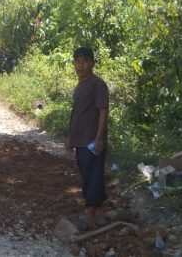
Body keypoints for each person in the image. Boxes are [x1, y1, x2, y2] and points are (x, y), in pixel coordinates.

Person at [68, 46, 109, 230]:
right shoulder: (79, 86)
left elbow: (103, 112)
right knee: (90, 176)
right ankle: (99, 213)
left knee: (92, 175)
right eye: (77, 61)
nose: (80, 65)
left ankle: (89, 214)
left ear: (92, 63)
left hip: (92, 141)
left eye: (84, 61)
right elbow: (76, 114)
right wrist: (70, 138)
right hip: (80, 141)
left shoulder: (97, 84)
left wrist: (99, 139)